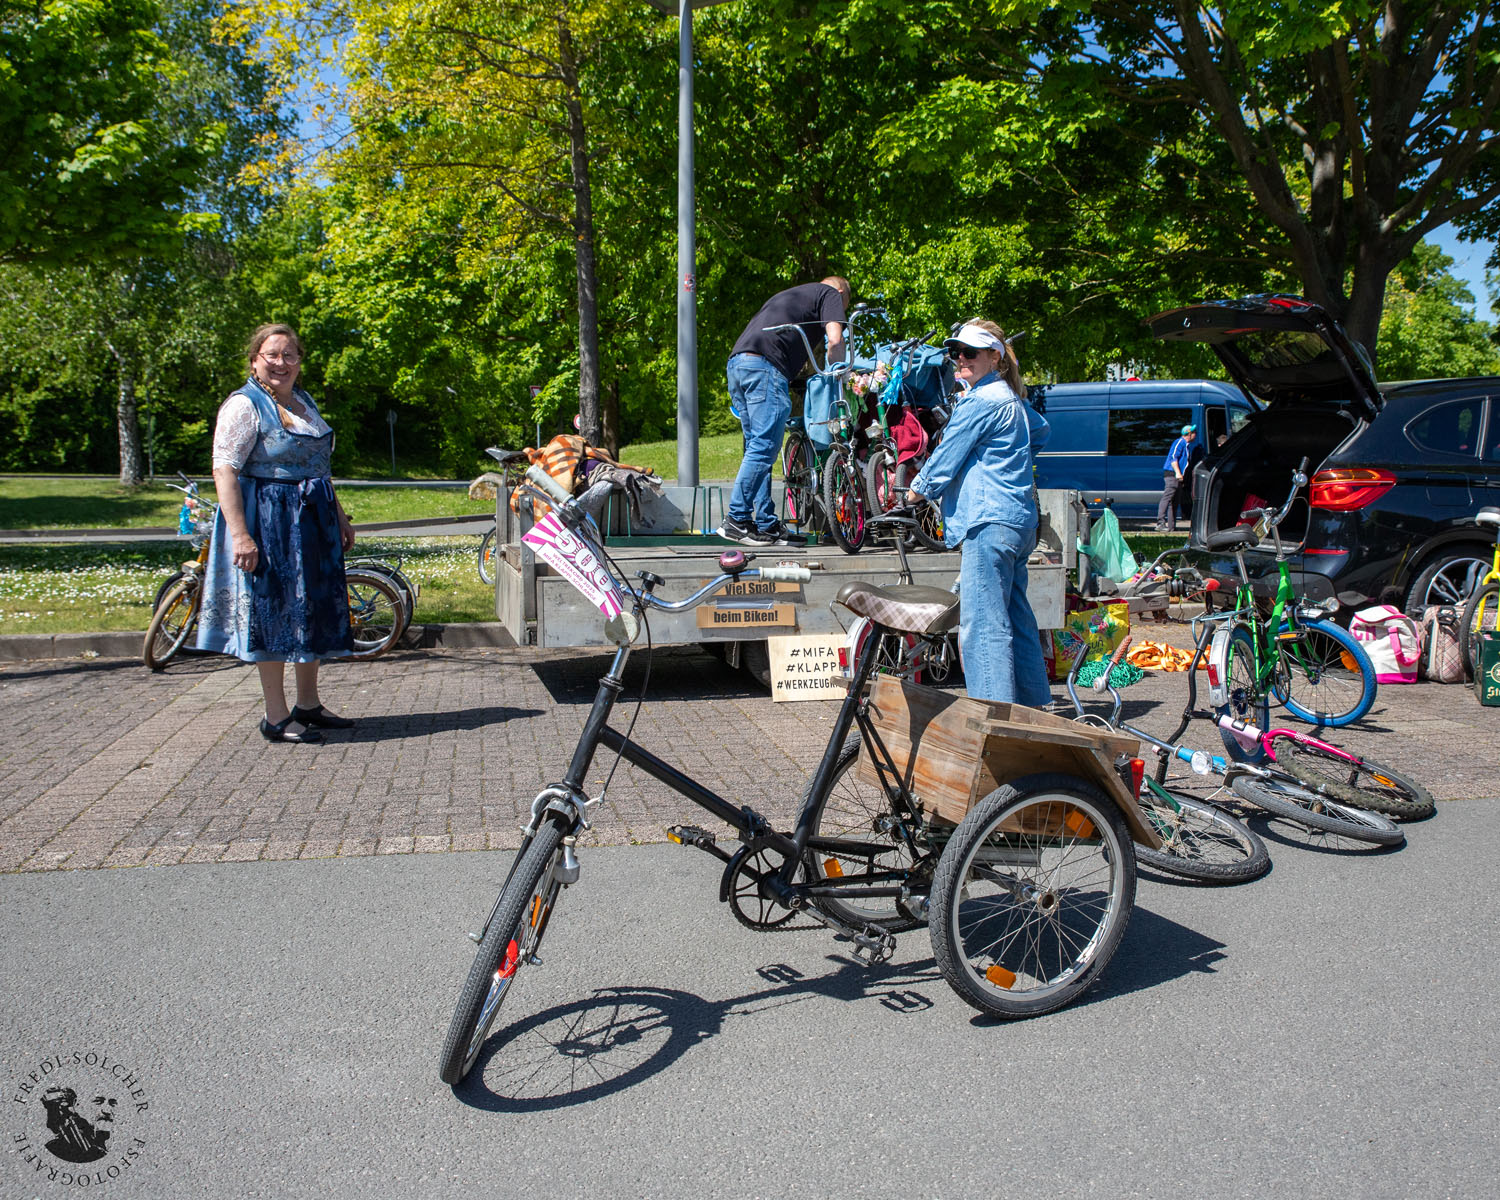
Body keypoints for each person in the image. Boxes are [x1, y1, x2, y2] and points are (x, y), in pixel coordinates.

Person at [196, 324, 356, 743]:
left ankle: (308, 705)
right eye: (272, 355)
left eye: (290, 355)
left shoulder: (304, 402)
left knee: (311, 611)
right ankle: (275, 716)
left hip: (312, 521)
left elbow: (320, 468)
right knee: (274, 614)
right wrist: (241, 536)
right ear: (254, 360)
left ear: (300, 362)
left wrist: (339, 516)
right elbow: (224, 470)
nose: (281, 363)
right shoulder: (244, 405)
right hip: (270, 523)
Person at [905, 320, 1052, 707]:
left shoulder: (980, 400)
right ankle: (1036, 713)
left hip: (988, 522)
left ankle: (992, 721)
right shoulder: (1011, 399)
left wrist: (912, 493)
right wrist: (1005, 461)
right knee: (1017, 623)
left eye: (970, 352)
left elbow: (945, 456)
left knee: (983, 627)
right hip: (1018, 522)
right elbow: (1041, 431)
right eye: (956, 352)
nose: (960, 359)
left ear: (994, 358)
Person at [719, 276, 852, 546]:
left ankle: (765, 524)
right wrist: (838, 372)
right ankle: (736, 519)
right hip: (765, 368)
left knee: (758, 449)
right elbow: (835, 341)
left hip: (739, 364)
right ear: (840, 293)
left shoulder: (792, 295)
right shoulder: (830, 294)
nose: (840, 310)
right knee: (764, 446)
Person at [1157, 423, 1196, 531]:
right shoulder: (1179, 442)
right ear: (1188, 434)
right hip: (1172, 475)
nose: (1195, 435)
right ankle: (1160, 522)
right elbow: (1173, 458)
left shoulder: (1186, 446)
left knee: (1174, 502)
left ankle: (1171, 527)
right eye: (1194, 432)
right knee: (1167, 498)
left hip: (1177, 476)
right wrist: (1178, 473)